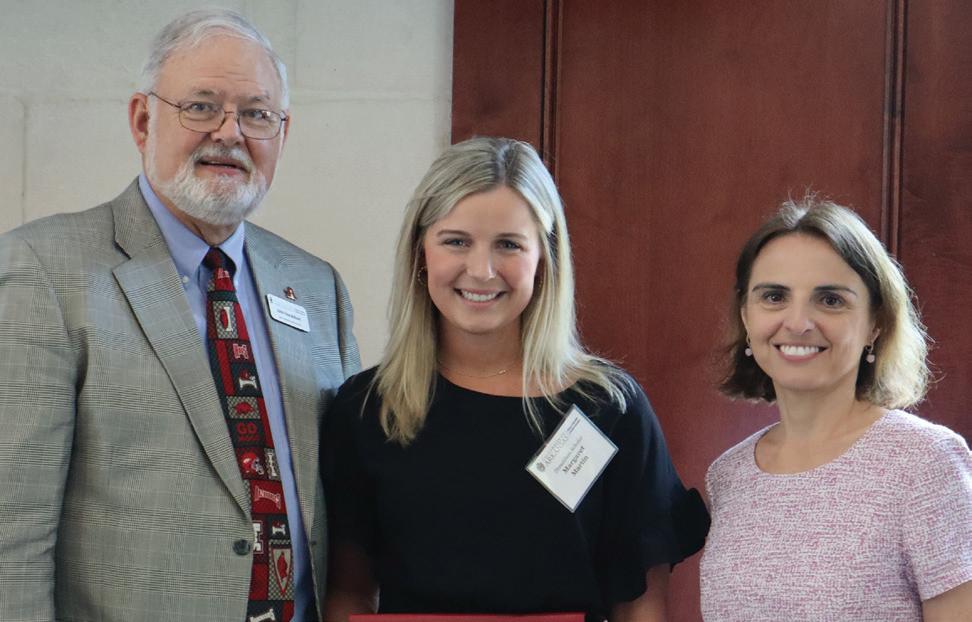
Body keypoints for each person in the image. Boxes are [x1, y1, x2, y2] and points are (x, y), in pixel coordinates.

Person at [0, 9, 359, 622]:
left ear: (282, 133)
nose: (230, 132)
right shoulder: (43, 270)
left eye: (257, 114)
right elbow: (12, 536)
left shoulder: (315, 286)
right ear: (143, 120)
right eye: (201, 107)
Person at [321, 137, 708, 622]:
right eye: (456, 241)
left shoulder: (610, 409)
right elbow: (348, 594)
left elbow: (640, 605)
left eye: (508, 244)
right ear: (421, 252)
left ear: (544, 257)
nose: (482, 270)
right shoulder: (366, 409)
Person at [700, 197, 972, 620]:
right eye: (774, 296)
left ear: (876, 322)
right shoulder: (729, 476)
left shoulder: (925, 463)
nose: (797, 322)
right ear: (746, 317)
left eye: (830, 300)